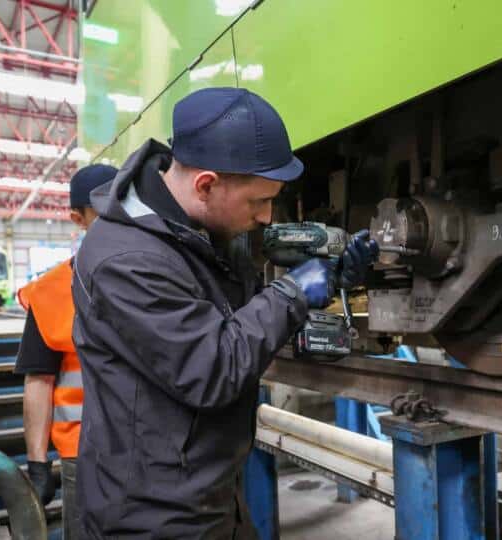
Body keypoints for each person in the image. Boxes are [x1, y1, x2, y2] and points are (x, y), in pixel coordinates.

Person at [71, 87, 378, 539]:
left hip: (205, 490)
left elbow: (249, 318)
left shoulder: (193, 232)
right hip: (150, 515)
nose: (268, 217)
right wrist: (294, 290)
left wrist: (333, 277)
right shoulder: (126, 259)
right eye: (258, 202)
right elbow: (213, 368)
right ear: (206, 184)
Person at [13, 164, 118, 540]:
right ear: (78, 218)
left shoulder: (159, 274)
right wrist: (38, 463)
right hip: (83, 454)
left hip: (155, 447)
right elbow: (39, 381)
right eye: (106, 211)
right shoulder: (50, 293)